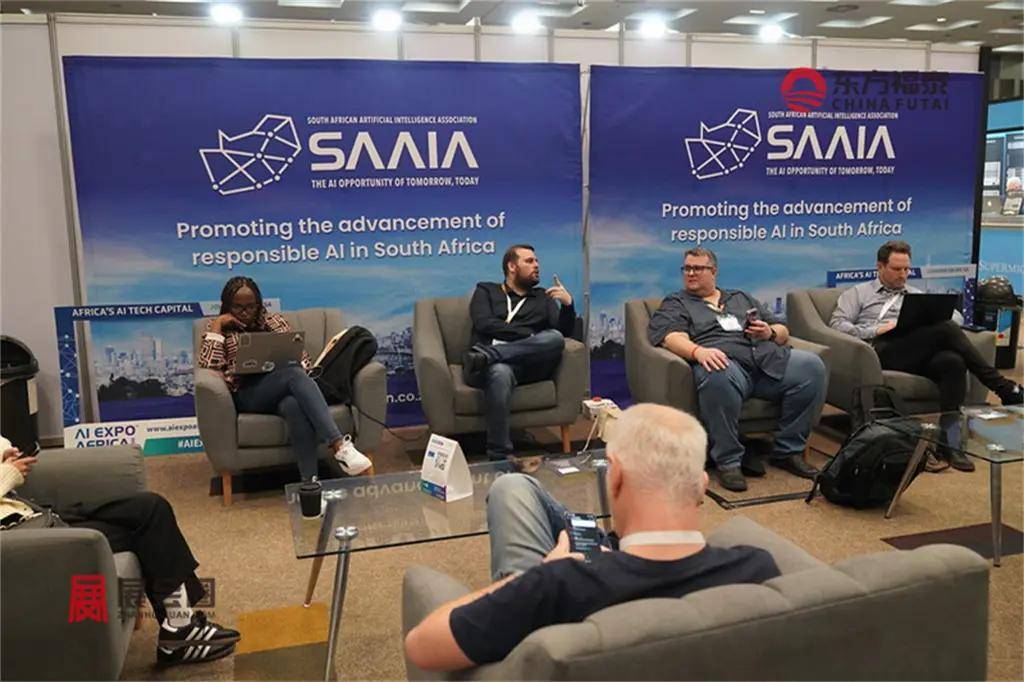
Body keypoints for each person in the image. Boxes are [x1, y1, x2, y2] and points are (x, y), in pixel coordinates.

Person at [404, 404, 780, 671]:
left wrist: (535, 575)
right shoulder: (757, 568)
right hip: (622, 558)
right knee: (515, 486)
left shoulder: (557, 583)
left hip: (548, 605)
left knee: (510, 489)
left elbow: (422, 646)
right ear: (701, 485)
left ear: (614, 476)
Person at [0, 437, 240, 666]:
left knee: (150, 509)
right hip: (23, 536)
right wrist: (8, 473)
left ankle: (180, 626)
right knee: (146, 530)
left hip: (36, 513)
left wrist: (4, 454)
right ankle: (180, 633)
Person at [830, 240, 1023, 471]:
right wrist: (877, 329)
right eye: (896, 269)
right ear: (879, 267)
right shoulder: (858, 293)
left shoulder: (915, 295)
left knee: (952, 362)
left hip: (916, 352)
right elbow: (837, 324)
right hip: (880, 351)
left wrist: (931, 318)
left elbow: (957, 318)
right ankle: (1002, 387)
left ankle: (949, 441)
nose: (903, 275)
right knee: (946, 330)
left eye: (906, 269)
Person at [647, 247, 827, 492]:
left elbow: (783, 330)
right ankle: (728, 461)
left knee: (811, 367)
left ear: (713, 272)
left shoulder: (740, 297)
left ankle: (788, 451)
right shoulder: (676, 303)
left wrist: (769, 332)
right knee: (717, 373)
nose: (691, 273)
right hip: (725, 363)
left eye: (697, 268)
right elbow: (670, 337)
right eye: (686, 268)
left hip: (765, 360)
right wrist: (698, 352)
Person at [198, 276, 372, 481]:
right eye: (238, 307)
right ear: (227, 305)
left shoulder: (274, 321)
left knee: (293, 405)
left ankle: (310, 484)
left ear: (259, 304)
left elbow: (300, 357)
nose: (245, 312)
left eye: (251, 306)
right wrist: (218, 325)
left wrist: (271, 334)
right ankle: (339, 445)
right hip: (247, 394)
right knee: (293, 375)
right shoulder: (218, 328)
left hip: (281, 387)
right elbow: (209, 365)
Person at [462, 245, 576, 460]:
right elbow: (484, 323)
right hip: (492, 368)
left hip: (525, 365)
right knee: (500, 372)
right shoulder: (486, 291)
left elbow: (561, 335)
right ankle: (499, 456)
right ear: (512, 267)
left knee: (553, 338)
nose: (536, 265)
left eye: (537, 261)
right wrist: (529, 336)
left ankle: (489, 354)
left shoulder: (543, 297)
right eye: (529, 261)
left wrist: (568, 306)